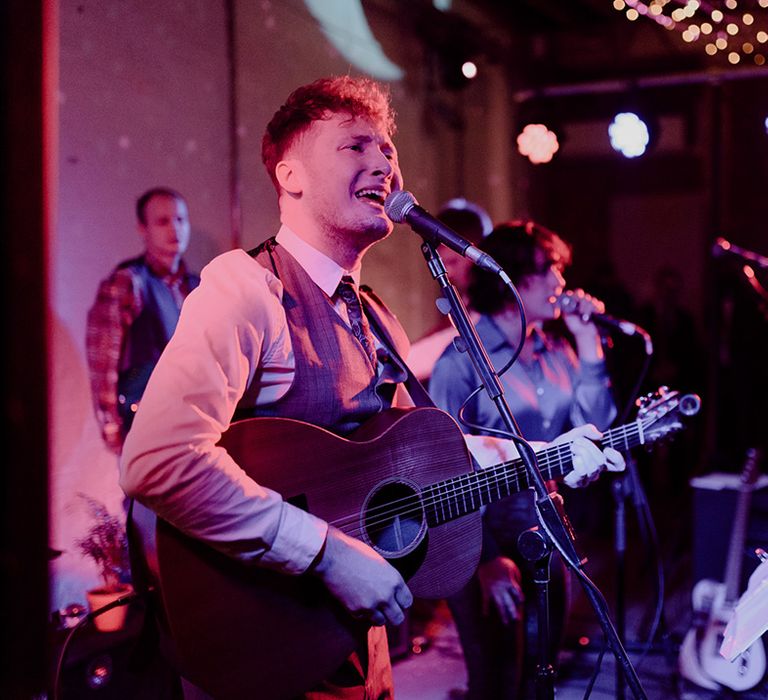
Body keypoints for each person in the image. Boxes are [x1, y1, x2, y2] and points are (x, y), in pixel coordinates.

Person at [120, 77, 623, 698]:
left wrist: (538, 462)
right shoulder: (246, 289)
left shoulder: (379, 318)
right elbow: (158, 459)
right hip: (268, 636)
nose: (383, 161)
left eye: (387, 149)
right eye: (355, 147)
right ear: (291, 177)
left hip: (357, 639)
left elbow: (428, 463)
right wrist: (326, 554)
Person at [430, 220, 618, 699]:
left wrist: (588, 340)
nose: (561, 283)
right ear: (511, 279)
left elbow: (593, 429)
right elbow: (442, 465)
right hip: (480, 537)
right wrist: (487, 559)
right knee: (496, 679)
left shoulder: (556, 350)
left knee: (542, 672)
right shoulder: (462, 360)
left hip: (548, 530)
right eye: (549, 269)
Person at [85, 187, 199, 455]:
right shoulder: (128, 282)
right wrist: (112, 431)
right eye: (162, 221)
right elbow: (103, 361)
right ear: (142, 228)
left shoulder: (197, 285)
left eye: (181, 220)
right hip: (144, 422)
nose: (175, 228)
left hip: (195, 424)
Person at [407, 198, 492, 384]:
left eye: (453, 262)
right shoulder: (466, 303)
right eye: (444, 264)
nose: (449, 273)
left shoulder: (494, 308)